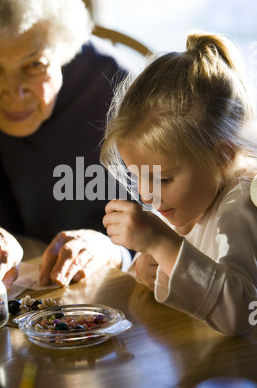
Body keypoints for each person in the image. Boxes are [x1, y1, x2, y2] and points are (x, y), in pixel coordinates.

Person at [0, 0, 133, 297]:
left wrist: (110, 249)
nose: (16, 93)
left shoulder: (118, 91)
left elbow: (172, 217)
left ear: (64, 51)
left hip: (103, 299)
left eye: (34, 65)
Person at [101, 30, 257, 336]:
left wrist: (162, 244)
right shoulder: (188, 200)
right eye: (136, 175)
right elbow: (185, 272)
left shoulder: (240, 207)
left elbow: (243, 312)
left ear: (223, 157)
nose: (147, 194)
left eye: (162, 178)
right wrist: (148, 268)